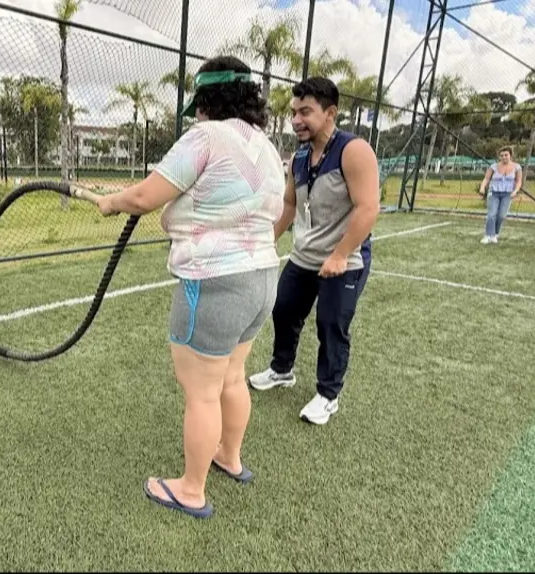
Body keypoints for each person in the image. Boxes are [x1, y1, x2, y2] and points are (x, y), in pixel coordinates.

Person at [94, 56, 285, 519]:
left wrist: (112, 201)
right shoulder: (266, 145)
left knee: (201, 391)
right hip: (262, 278)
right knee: (232, 376)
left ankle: (191, 489)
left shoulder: (205, 137)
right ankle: (229, 457)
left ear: (206, 101)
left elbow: (145, 196)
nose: (197, 113)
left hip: (214, 279)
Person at [247, 77, 380, 425]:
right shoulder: (300, 157)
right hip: (304, 256)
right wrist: (267, 240)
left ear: (330, 113)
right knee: (284, 310)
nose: (296, 120)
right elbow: (290, 204)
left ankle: (328, 395)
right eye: (294, 112)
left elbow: (368, 208)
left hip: (346, 259)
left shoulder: (353, 151)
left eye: (305, 112)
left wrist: (340, 254)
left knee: (331, 324)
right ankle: (282, 370)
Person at [478, 146, 523, 244]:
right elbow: (486, 178)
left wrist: (515, 191)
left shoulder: (517, 167)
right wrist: (482, 187)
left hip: (507, 194)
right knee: (491, 214)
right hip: (494, 192)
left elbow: (518, 181)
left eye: (506, 155)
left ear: (510, 155)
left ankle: (495, 234)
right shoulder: (493, 166)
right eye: (501, 155)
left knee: (501, 216)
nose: (504, 157)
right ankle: (488, 235)